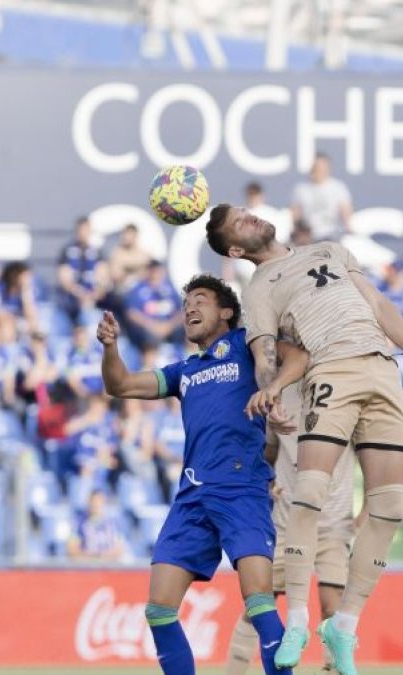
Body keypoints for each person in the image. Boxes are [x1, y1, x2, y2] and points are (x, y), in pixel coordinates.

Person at [206, 203, 403, 674]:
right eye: (240, 222)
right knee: (310, 493)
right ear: (235, 248)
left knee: (390, 506)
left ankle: (344, 627)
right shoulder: (259, 287)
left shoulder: (330, 249)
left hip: (383, 368)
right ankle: (297, 619)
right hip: (329, 371)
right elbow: (264, 352)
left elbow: (379, 305)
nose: (252, 217)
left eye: (246, 211)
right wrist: (270, 389)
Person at [98, 274, 307, 675]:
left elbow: (298, 357)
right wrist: (110, 347)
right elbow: (119, 383)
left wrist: (274, 388)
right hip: (192, 495)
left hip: (241, 487)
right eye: (186, 303)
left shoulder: (249, 345)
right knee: (159, 609)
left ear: (226, 312)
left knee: (259, 598)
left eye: (201, 300)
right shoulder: (185, 370)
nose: (190, 308)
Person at [224, 380, 355, 674]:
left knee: (332, 607)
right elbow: (267, 454)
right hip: (287, 522)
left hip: (332, 524)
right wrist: (265, 482)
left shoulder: (348, 395)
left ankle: (333, 668)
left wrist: (369, 511)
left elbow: (372, 456)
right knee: (259, 604)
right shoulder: (282, 398)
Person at [290, 154, 352, 242]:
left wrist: (348, 227)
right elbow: (296, 212)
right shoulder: (301, 189)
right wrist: (296, 230)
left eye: (321, 168)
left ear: (328, 169)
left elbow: (345, 210)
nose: (318, 170)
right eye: (316, 167)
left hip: (332, 235)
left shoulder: (338, 187)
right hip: (309, 237)